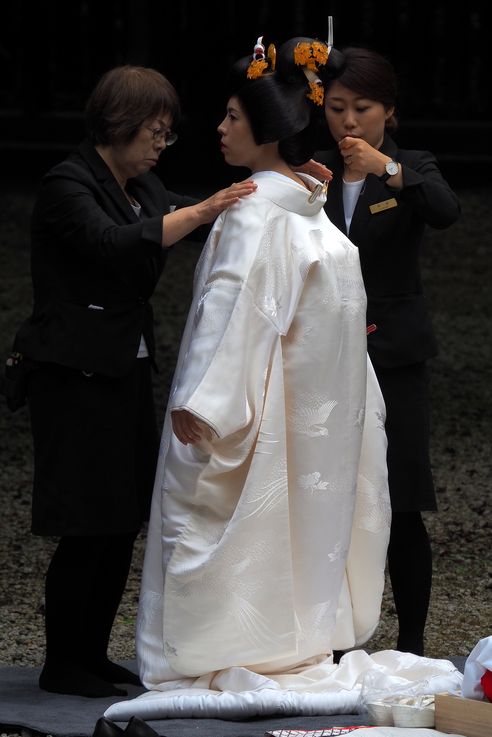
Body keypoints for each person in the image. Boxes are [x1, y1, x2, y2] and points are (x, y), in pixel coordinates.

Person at [103, 36, 397, 722]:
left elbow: (234, 310)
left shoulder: (254, 207)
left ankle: (213, 644)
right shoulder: (302, 199)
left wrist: (205, 397)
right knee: (296, 516)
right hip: (305, 394)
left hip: (255, 388)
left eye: (233, 117)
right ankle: (292, 635)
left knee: (220, 513)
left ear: (266, 131)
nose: (220, 128)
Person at [8, 64, 256, 698]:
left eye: (167, 135)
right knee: (85, 521)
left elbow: (181, 215)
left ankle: (92, 654)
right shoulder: (69, 183)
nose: (159, 145)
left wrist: (268, 189)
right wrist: (204, 209)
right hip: (73, 374)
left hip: (124, 366)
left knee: (121, 517)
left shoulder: (139, 185)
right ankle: (63, 659)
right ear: (119, 124)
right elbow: (113, 243)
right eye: (154, 131)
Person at [315, 46, 461, 656]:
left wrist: (386, 169)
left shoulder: (412, 165)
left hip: (395, 354)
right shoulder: (312, 168)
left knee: (401, 500)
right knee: (329, 499)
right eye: (337, 107)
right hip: (324, 354)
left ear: (388, 111)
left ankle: (413, 641)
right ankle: (333, 640)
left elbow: (446, 210)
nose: (349, 122)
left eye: (363, 108)